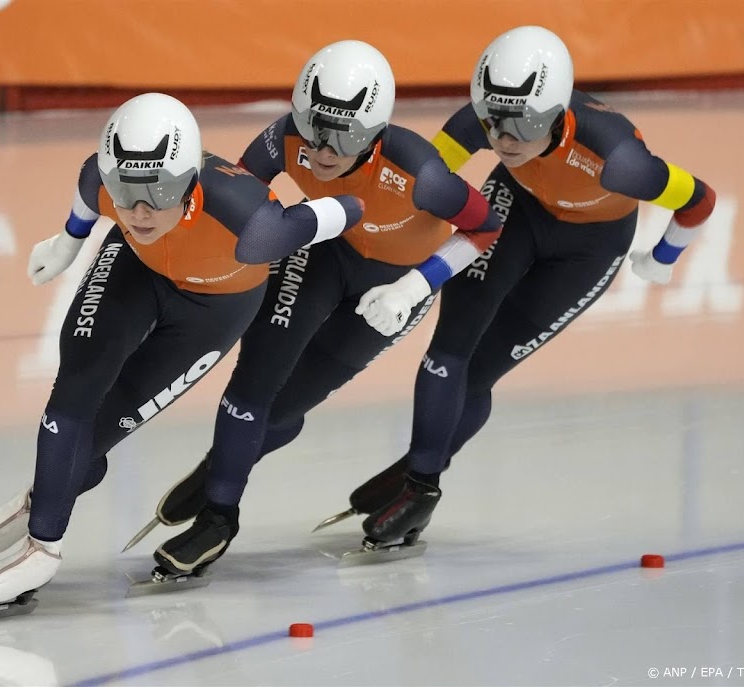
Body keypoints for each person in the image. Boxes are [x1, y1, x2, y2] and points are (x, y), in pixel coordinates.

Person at [0, 92, 365, 609]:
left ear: (189, 183)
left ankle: (38, 502)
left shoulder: (256, 229)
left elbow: (327, 216)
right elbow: (90, 182)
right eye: (126, 190)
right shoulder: (105, 182)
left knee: (105, 425)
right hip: (137, 268)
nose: (141, 209)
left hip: (214, 308)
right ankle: (42, 545)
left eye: (159, 190)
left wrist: (354, 205)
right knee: (76, 384)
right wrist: (67, 241)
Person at [143, 40, 503, 580]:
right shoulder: (284, 139)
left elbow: (486, 226)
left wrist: (415, 287)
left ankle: (228, 460)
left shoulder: (421, 174)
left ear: (376, 133)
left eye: (345, 135)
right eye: (315, 126)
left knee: (287, 406)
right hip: (325, 251)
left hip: (393, 284)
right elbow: (233, 197)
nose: (324, 148)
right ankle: (220, 516)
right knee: (253, 386)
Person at [343, 25, 718, 541]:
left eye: (523, 124)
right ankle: (421, 485)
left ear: (557, 114)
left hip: (587, 250)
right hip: (515, 210)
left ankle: (422, 465)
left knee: (478, 373)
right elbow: (418, 182)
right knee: (449, 349)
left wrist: (664, 256)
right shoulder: (486, 117)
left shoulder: (619, 163)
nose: (503, 139)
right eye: (493, 122)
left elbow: (700, 200)